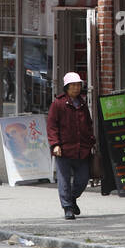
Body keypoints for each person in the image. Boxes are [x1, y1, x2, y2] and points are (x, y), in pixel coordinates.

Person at [47, 72, 96, 220]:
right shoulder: (58, 103)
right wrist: (55, 144)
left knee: (83, 178)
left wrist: (91, 142)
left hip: (82, 149)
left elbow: (88, 124)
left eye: (78, 85)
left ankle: (72, 198)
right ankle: (67, 207)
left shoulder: (82, 103)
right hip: (64, 149)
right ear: (67, 87)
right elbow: (52, 126)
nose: (76, 88)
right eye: (73, 85)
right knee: (64, 180)